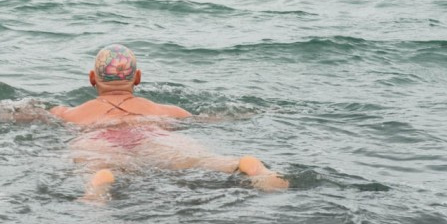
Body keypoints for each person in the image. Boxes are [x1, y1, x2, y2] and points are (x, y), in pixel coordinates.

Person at [52, 44, 289, 200]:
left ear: (92, 78)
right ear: (138, 78)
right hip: (155, 136)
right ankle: (243, 166)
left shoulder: (68, 113)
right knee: (201, 161)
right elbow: (207, 119)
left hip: (98, 139)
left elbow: (26, 115)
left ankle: (98, 184)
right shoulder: (167, 110)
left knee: (95, 165)